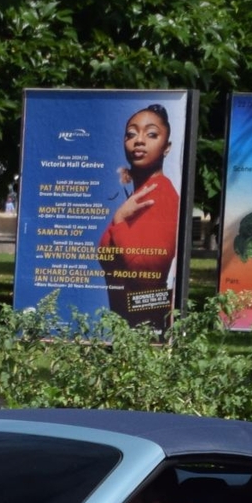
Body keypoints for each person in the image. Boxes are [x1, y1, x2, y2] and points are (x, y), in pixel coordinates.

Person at [95, 106, 180, 333]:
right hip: (128, 327)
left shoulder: (161, 195)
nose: (139, 141)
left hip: (145, 326)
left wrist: (120, 221)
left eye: (151, 134)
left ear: (167, 147)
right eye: (131, 134)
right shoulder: (140, 196)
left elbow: (147, 273)